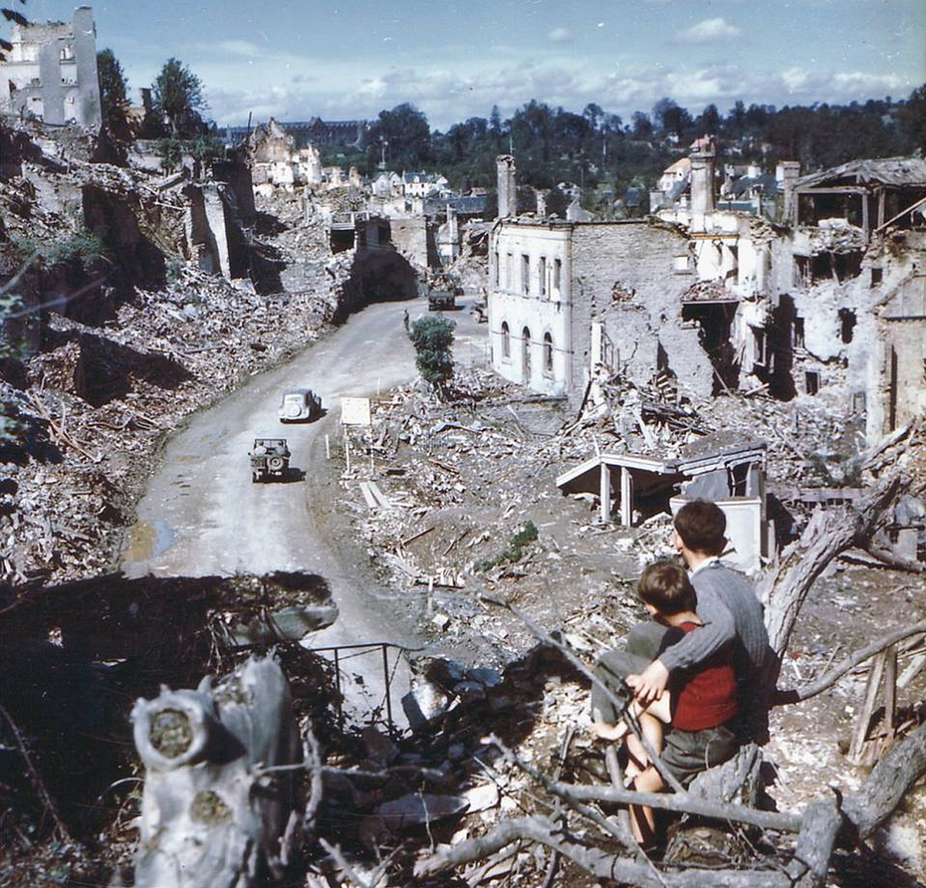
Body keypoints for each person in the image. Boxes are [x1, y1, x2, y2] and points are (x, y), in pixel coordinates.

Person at [591, 499, 770, 744]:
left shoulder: (703, 589)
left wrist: (664, 665)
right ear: (722, 544)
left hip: (725, 701)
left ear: (678, 542)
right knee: (642, 634)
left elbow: (723, 627)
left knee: (608, 662)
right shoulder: (734, 579)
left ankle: (605, 732)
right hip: (745, 680)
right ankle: (642, 719)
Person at [591, 560, 739, 847]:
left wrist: (616, 731)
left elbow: (646, 696)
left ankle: (645, 851)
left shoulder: (674, 639)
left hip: (702, 741)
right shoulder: (705, 632)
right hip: (722, 723)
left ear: (653, 609)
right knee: (649, 705)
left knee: (640, 788)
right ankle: (651, 757)